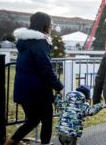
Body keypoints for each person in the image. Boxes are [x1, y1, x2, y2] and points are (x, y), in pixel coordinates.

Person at [6, 12, 64, 145]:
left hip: (23, 90)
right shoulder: (40, 42)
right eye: (51, 24)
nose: (52, 26)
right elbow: (46, 68)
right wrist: (59, 86)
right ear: (45, 25)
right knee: (47, 121)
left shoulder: (25, 41)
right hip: (38, 91)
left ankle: (11, 142)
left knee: (33, 120)